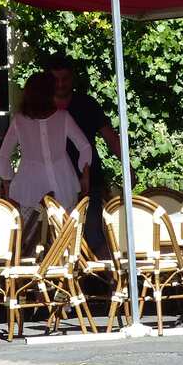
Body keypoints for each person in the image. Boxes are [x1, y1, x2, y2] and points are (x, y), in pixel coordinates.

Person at [45, 53, 122, 253]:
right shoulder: (41, 108)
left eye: (65, 79)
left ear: (72, 78)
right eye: (55, 79)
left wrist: (126, 165)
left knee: (94, 235)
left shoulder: (87, 104)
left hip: (89, 182)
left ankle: (111, 283)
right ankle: (65, 283)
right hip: (53, 185)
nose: (60, 84)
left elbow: (110, 137)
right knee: (55, 241)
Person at [0, 72, 92, 214]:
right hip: (63, 183)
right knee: (64, 233)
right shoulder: (63, 117)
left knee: (34, 233)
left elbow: (3, 157)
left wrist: (8, 183)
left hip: (30, 186)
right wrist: (85, 175)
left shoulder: (19, 121)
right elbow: (85, 147)